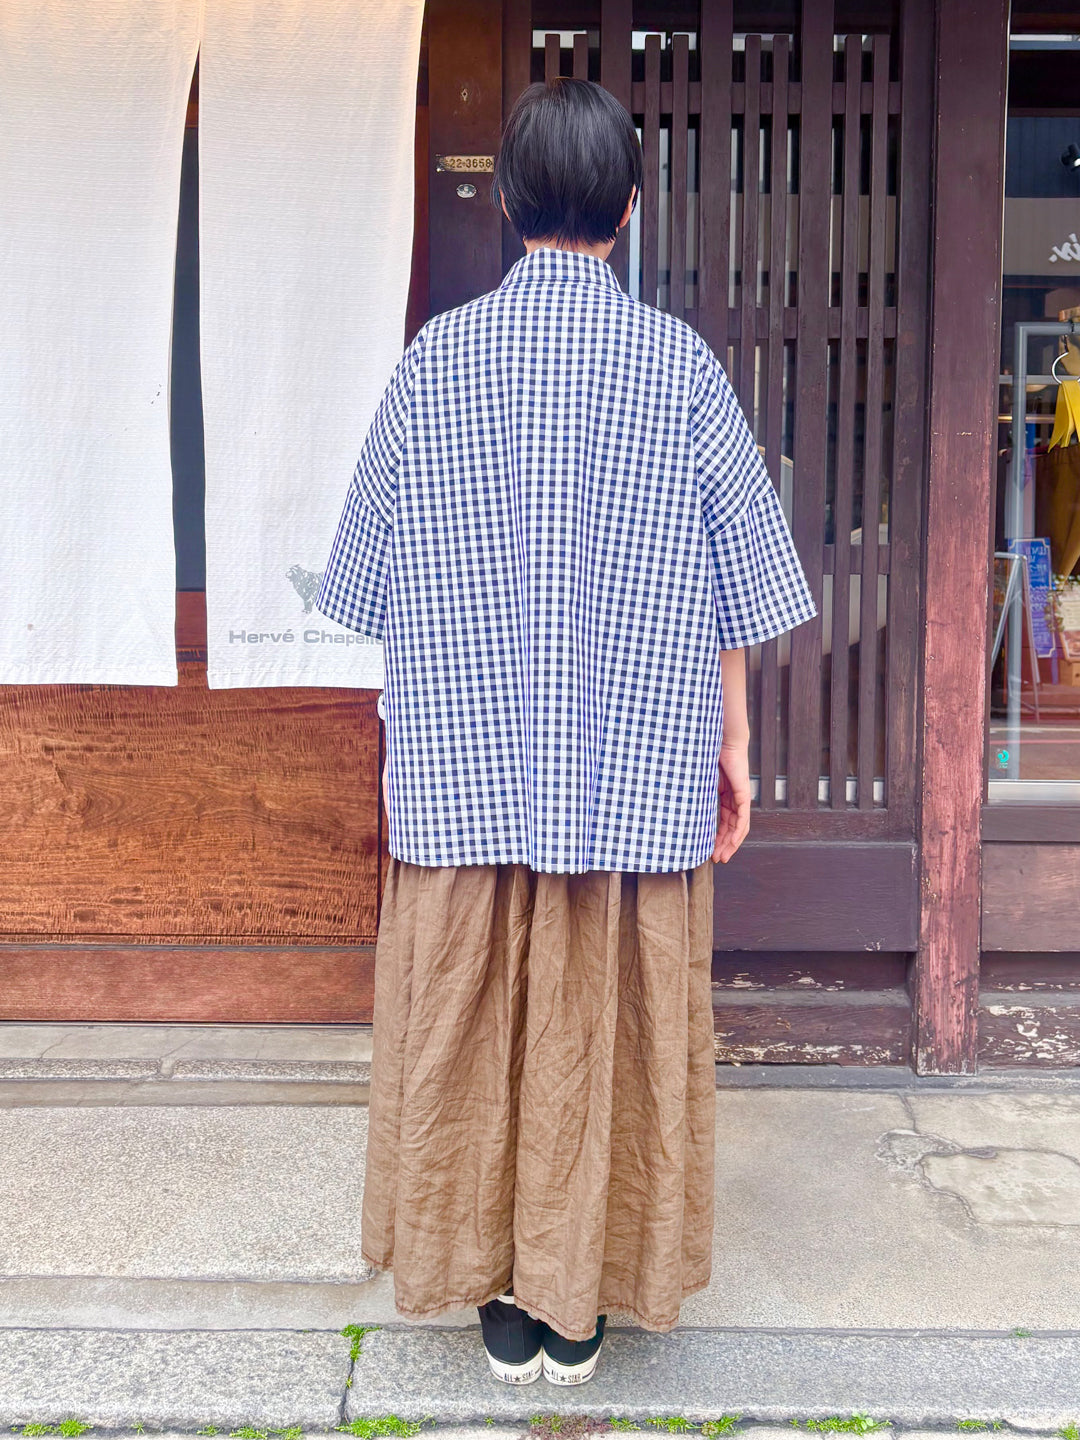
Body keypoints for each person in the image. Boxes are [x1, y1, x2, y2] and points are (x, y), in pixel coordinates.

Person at [315, 77, 816, 1388]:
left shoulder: (435, 362)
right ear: (632, 209)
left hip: (467, 767)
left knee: (472, 1013)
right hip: (632, 770)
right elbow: (739, 589)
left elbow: (365, 585)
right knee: (606, 1028)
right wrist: (735, 745)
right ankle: (581, 1299)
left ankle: (494, 1294)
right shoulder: (681, 367)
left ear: (507, 202)